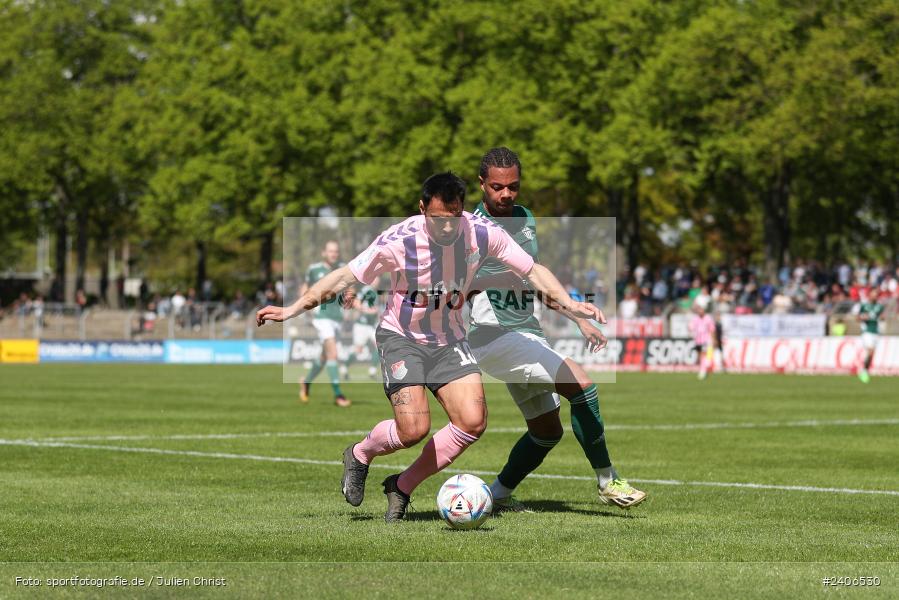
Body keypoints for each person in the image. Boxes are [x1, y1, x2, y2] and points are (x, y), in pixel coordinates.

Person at [256, 172, 601, 522]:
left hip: (451, 340)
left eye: (453, 219)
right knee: (413, 430)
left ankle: (401, 486)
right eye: (437, 220)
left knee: (472, 422)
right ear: (422, 209)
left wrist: (572, 306)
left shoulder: (481, 232)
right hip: (401, 338)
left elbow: (532, 271)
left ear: (462, 211)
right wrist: (292, 309)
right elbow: (344, 276)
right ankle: (360, 453)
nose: (447, 228)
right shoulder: (398, 240)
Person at [467, 147, 646, 511]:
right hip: (493, 336)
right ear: (481, 184)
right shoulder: (470, 230)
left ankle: (496, 494)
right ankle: (608, 480)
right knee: (581, 384)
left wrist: (578, 318)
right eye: (498, 187)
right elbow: (478, 282)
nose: (506, 195)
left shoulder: (525, 219)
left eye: (513, 186)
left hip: (526, 334)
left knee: (547, 432)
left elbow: (536, 279)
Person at [299, 241, 351, 407]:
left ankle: (306, 382)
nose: (333, 254)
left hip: (337, 318)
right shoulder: (314, 269)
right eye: (330, 251)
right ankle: (338, 395)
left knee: (324, 357)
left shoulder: (343, 268)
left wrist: (351, 297)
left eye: (336, 251)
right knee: (333, 353)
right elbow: (305, 288)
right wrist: (302, 307)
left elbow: (350, 289)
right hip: (321, 317)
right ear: (324, 253)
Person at [347, 283, 380, 379]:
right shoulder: (367, 290)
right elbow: (356, 303)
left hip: (371, 326)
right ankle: (344, 367)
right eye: (376, 277)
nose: (377, 279)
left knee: (380, 345)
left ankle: (372, 371)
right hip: (361, 325)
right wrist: (368, 311)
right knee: (358, 350)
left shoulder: (373, 292)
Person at [856, 288, 885, 383]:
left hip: (875, 332)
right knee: (870, 350)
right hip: (867, 331)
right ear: (870, 295)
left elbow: (882, 317)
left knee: (872, 354)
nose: (875, 296)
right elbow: (857, 317)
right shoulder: (864, 305)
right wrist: (863, 317)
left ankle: (864, 371)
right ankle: (864, 371)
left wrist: (882, 318)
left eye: (876, 294)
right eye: (873, 294)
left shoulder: (880, 306)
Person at [689, 303, 716, 380]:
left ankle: (703, 370)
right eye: (699, 310)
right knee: (701, 356)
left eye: (701, 310)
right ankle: (703, 369)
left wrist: (713, 339)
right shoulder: (695, 319)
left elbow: (712, 330)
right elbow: (691, 327)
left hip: (706, 340)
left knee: (706, 355)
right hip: (698, 340)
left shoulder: (708, 318)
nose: (700, 311)